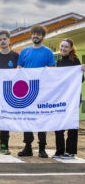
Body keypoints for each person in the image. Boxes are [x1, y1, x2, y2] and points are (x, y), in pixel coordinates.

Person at [17, 25, 55, 158]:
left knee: (41, 119)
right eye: (33, 34)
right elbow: (19, 68)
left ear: (43, 37)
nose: (35, 36)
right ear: (31, 35)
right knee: (27, 118)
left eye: (38, 34)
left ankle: (42, 148)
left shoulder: (48, 52)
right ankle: (28, 147)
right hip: (27, 91)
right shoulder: (24, 51)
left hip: (42, 91)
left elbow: (52, 71)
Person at [53, 38, 85, 159]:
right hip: (61, 97)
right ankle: (59, 150)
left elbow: (81, 80)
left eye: (66, 47)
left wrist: (81, 71)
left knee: (71, 124)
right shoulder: (59, 62)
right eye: (62, 46)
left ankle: (70, 151)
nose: (63, 49)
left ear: (71, 48)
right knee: (58, 124)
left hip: (73, 97)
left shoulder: (75, 61)